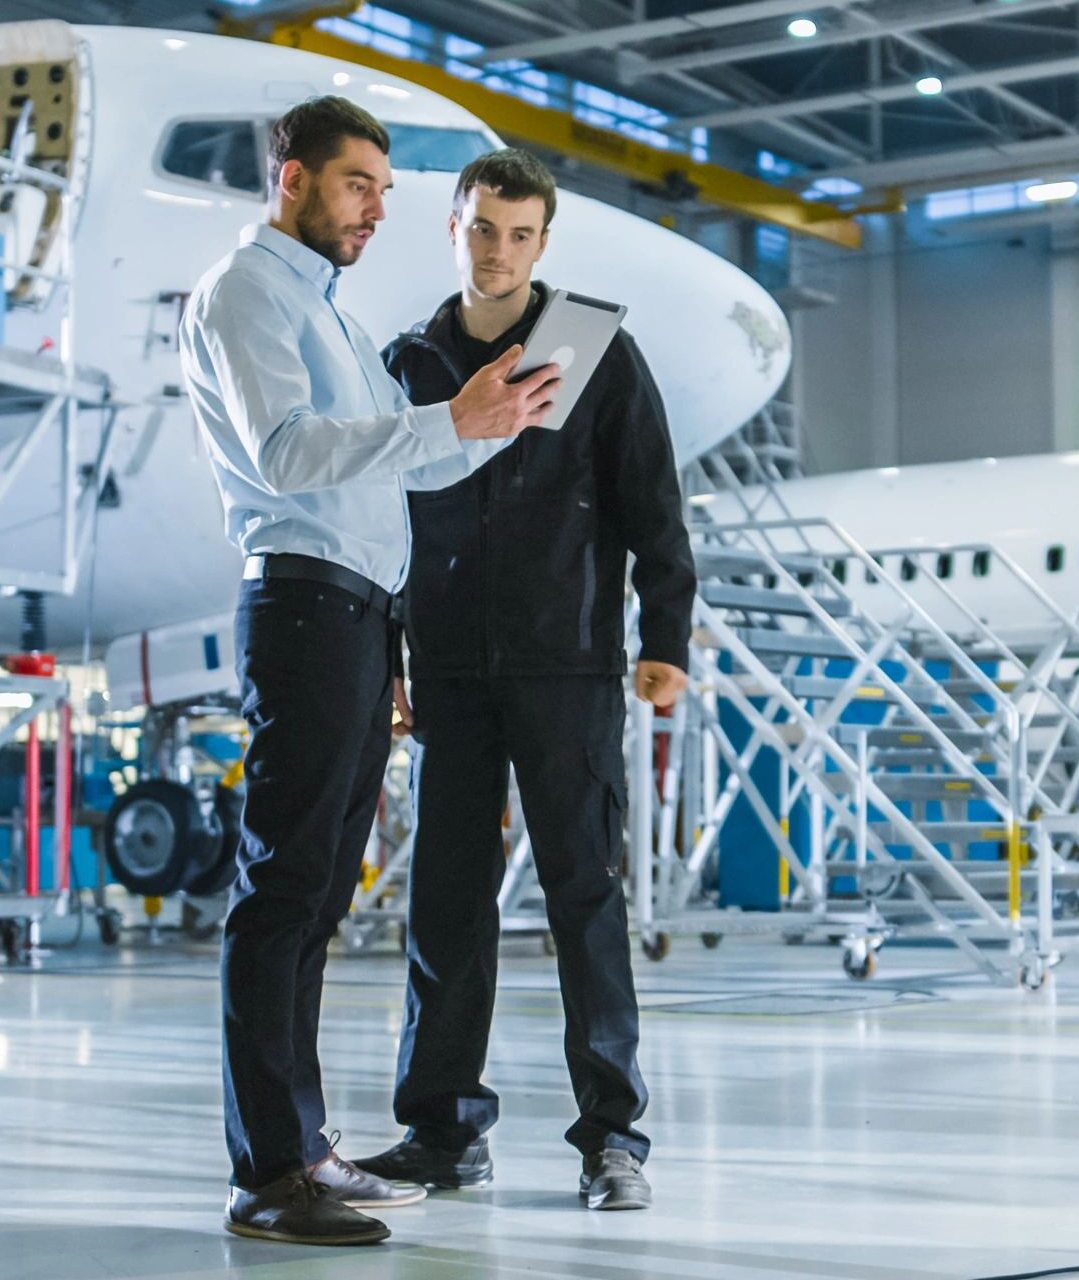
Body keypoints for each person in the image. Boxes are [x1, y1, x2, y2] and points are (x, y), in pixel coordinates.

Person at [179, 98, 561, 1247]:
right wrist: (446, 418)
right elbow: (285, 453)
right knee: (283, 889)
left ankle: (301, 1145)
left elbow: (390, 476)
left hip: (351, 614)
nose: (375, 210)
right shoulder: (245, 293)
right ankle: (267, 1169)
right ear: (291, 178)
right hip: (300, 604)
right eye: (357, 185)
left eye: (384, 193)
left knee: (317, 897)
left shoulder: (332, 319)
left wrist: (486, 422)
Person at [353, 148, 694, 1213]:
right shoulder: (406, 362)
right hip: (450, 671)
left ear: (543, 242)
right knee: (444, 904)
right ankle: (442, 1130)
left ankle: (613, 1137)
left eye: (519, 234)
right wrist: (388, 655)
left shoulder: (594, 355)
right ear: (452, 229)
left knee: (585, 897)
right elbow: (376, 520)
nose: (497, 251)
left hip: (567, 666)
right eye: (481, 229)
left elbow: (653, 508)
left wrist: (667, 638)